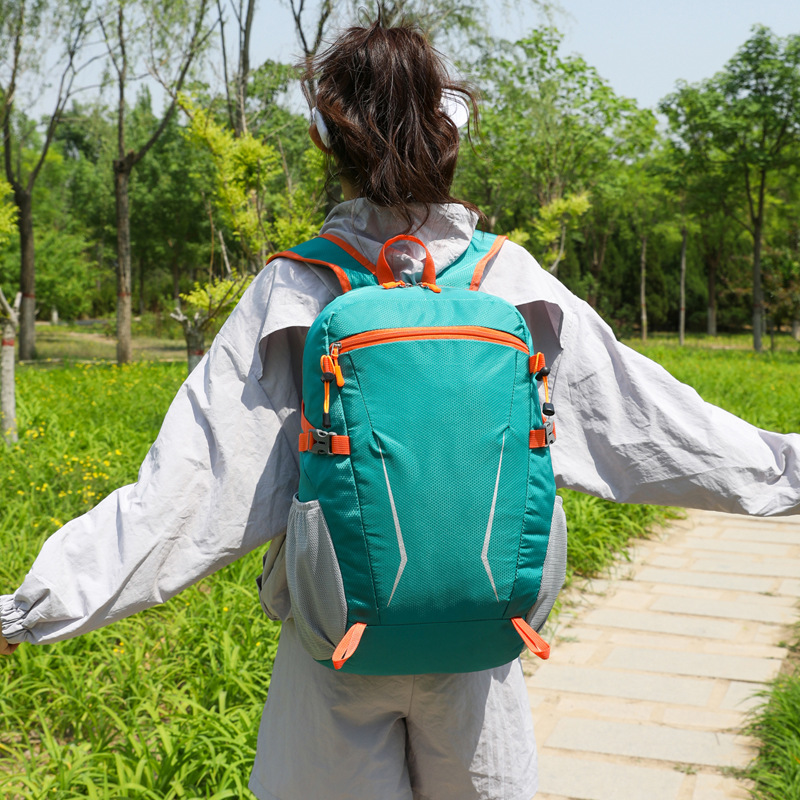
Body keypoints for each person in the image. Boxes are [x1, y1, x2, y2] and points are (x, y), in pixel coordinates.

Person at [2, 18, 799, 800]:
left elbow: (186, 492)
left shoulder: (295, 290)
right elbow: (656, 425)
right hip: (481, 644)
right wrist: (789, 472)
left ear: (322, 138)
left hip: (336, 649)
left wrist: (29, 612)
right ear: (456, 129)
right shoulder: (512, 283)